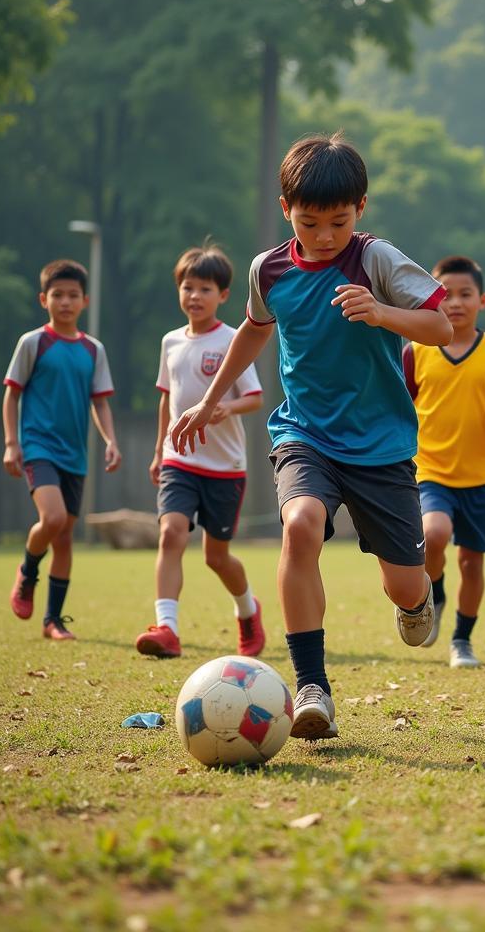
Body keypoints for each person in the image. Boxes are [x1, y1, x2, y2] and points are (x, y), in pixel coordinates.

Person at [169, 133, 452, 740]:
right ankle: (312, 687)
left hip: (381, 445)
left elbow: (440, 325)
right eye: (310, 221)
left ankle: (415, 597)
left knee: (404, 583)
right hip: (305, 434)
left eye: (339, 221)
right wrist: (208, 402)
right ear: (285, 210)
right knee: (299, 527)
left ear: (362, 210)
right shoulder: (267, 269)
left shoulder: (375, 260)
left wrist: (382, 313)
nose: (325, 235)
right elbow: (253, 330)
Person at [403, 255, 485, 669]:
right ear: (432, 301)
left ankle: (462, 640)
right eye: (447, 295)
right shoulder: (417, 352)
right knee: (434, 532)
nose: (456, 303)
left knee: (472, 562)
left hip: (478, 478)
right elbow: (399, 405)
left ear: (483, 300)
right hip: (430, 472)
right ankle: (437, 595)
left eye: (466, 294)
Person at [135, 243, 266, 659]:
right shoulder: (170, 342)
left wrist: (225, 406)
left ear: (223, 295)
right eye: (187, 287)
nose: (194, 296)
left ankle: (248, 611)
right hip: (179, 459)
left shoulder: (234, 340)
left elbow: (256, 397)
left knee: (217, 556)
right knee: (171, 533)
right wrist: (159, 451)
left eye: (205, 289)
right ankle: (167, 629)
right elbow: (165, 399)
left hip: (225, 466)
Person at [2, 259, 121, 640]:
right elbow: (11, 395)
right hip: (39, 447)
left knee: (65, 537)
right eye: (57, 295)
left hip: (75, 455)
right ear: (43, 299)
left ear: (84, 301)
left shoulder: (93, 350)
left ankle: (52, 620)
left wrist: (111, 441)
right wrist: (11, 443)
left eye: (72, 295)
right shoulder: (33, 343)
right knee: (51, 520)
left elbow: (100, 402)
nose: (65, 302)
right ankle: (28, 571)